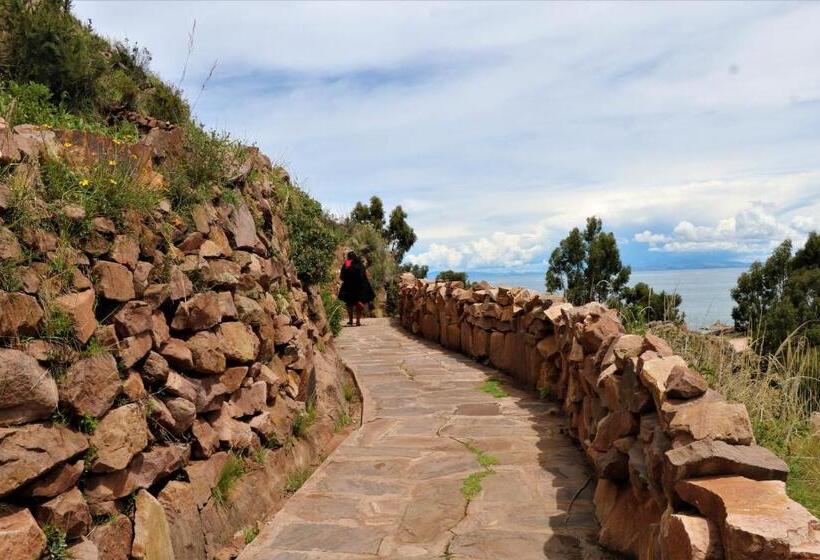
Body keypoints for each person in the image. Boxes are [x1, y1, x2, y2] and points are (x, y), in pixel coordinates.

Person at [337, 251, 375, 326]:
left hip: (348, 287)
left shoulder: (347, 263)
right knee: (359, 303)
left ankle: (350, 321)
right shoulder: (360, 264)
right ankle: (358, 321)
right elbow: (364, 276)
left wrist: (347, 280)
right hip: (360, 287)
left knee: (349, 304)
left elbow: (342, 276)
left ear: (348, 257)